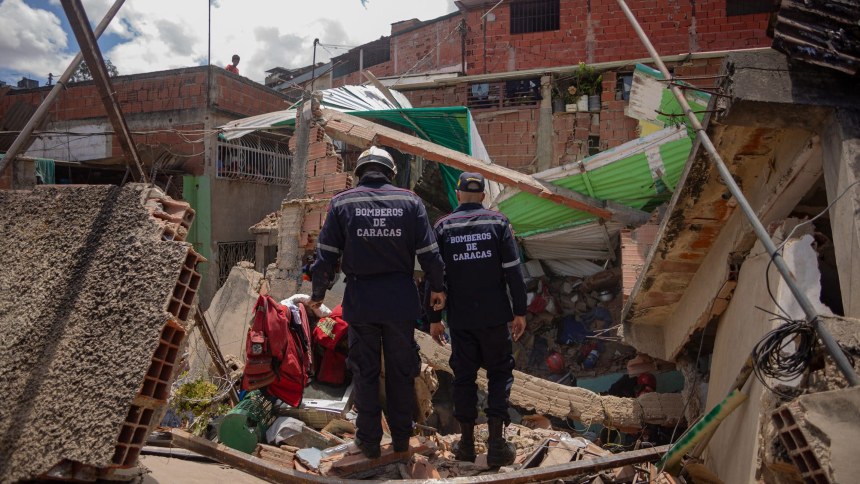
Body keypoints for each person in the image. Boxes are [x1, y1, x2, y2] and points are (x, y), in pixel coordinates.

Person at [309, 146, 445, 459]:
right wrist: (438, 287)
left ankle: (369, 442)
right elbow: (430, 255)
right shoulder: (410, 202)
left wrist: (317, 295)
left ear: (359, 172)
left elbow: (325, 258)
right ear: (390, 172)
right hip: (400, 299)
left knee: (365, 371)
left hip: (362, 300)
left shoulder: (342, 203)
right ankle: (400, 440)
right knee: (400, 371)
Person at [429, 172, 527, 467]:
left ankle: (468, 445)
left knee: (464, 378)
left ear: (458, 194)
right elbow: (513, 272)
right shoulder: (498, 223)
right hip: (495, 317)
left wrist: (435, 318)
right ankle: (496, 444)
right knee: (499, 375)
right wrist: (519, 311)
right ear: (483, 196)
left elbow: (436, 280)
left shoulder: (443, 227)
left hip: (461, 320)